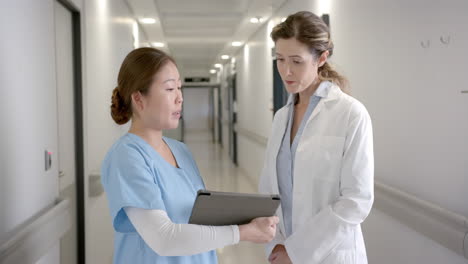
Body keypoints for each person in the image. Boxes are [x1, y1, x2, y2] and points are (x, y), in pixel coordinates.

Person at [101, 47, 279, 264]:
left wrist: (248, 219)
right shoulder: (127, 157)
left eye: (179, 87)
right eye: (169, 89)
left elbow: (195, 220)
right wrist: (242, 232)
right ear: (139, 99)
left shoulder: (180, 151)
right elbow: (165, 239)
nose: (179, 98)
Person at [258, 11, 374, 264]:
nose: (286, 71)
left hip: (331, 254)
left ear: (321, 58)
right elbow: (269, 188)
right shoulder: (281, 118)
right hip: (281, 251)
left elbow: (357, 200)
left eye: (297, 61)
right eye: (280, 60)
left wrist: (297, 251)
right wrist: (277, 244)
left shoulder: (350, 114)